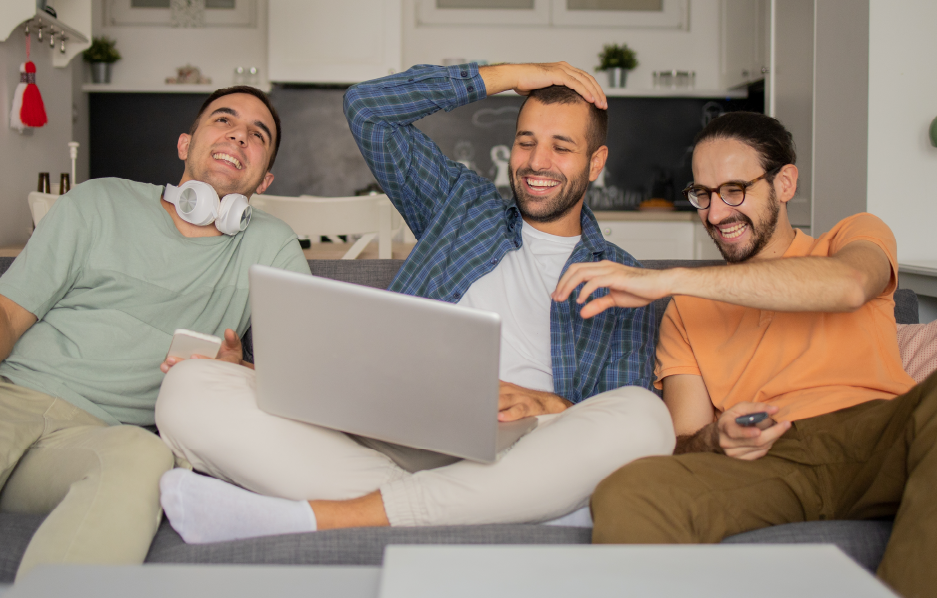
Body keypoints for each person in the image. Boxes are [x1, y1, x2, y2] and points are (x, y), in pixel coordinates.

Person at [154, 62, 674, 542]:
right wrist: (518, 72)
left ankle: (351, 515)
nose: (537, 162)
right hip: (384, 432)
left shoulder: (622, 278)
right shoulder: (461, 206)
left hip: (523, 447)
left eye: (561, 146)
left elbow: (612, 409)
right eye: (525, 142)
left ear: (595, 161)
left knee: (644, 418)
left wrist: (547, 404)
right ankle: (485, 507)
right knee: (188, 389)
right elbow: (368, 109)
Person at [553, 111, 932, 597]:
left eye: (734, 190)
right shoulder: (687, 313)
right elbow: (686, 437)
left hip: (883, 434)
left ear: (786, 182)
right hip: (776, 460)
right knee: (632, 488)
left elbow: (851, 285)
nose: (715, 214)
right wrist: (716, 437)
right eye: (703, 195)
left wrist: (667, 277)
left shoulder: (852, 237)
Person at [0, 85, 308, 579]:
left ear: (265, 177)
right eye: (224, 120)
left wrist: (237, 376)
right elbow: (1, 311)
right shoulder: (98, 200)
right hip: (2, 400)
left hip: (96, 441)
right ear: (184, 144)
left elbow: (305, 374)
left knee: (145, 457)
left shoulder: (272, 245)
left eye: (257, 135)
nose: (239, 136)